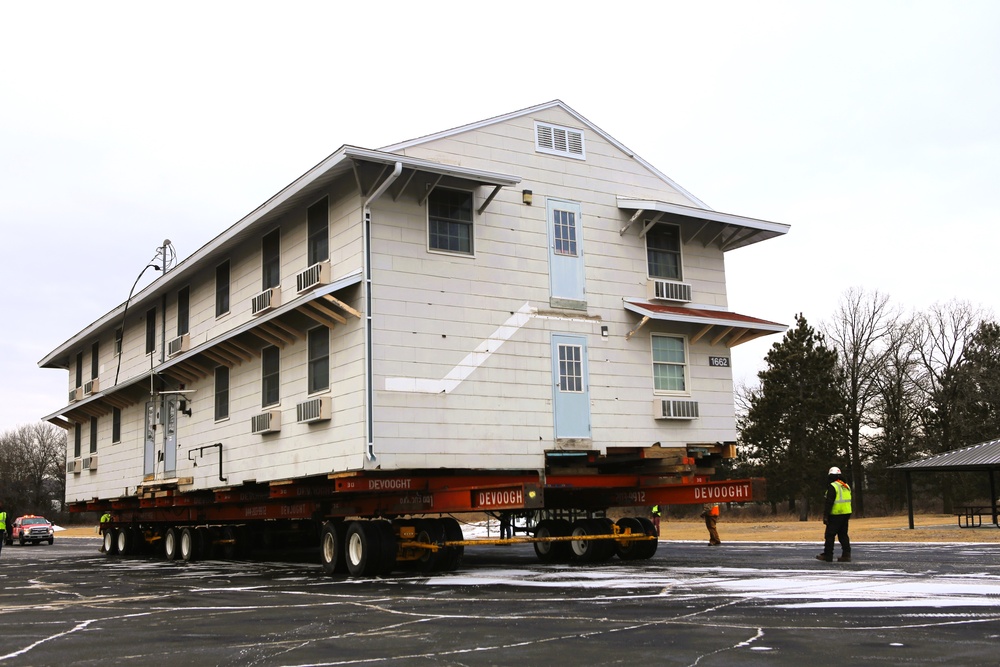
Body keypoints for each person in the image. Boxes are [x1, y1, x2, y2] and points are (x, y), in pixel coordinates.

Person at [817, 466, 852, 562]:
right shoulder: (846, 486)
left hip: (836, 514)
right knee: (843, 535)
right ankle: (846, 554)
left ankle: (828, 555)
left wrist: (826, 515)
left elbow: (829, 502)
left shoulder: (833, 486)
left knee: (829, 535)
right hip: (846, 513)